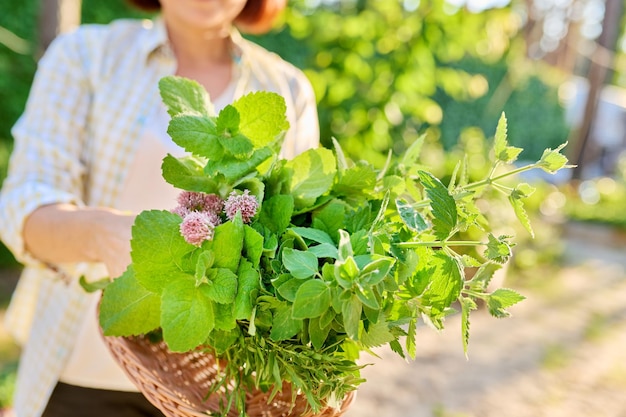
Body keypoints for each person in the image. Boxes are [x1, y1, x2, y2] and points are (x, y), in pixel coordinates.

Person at [0, 0, 319, 416]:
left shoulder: (285, 89)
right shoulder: (87, 55)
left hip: (219, 391)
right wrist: (107, 235)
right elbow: (23, 211)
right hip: (80, 378)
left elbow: (297, 238)